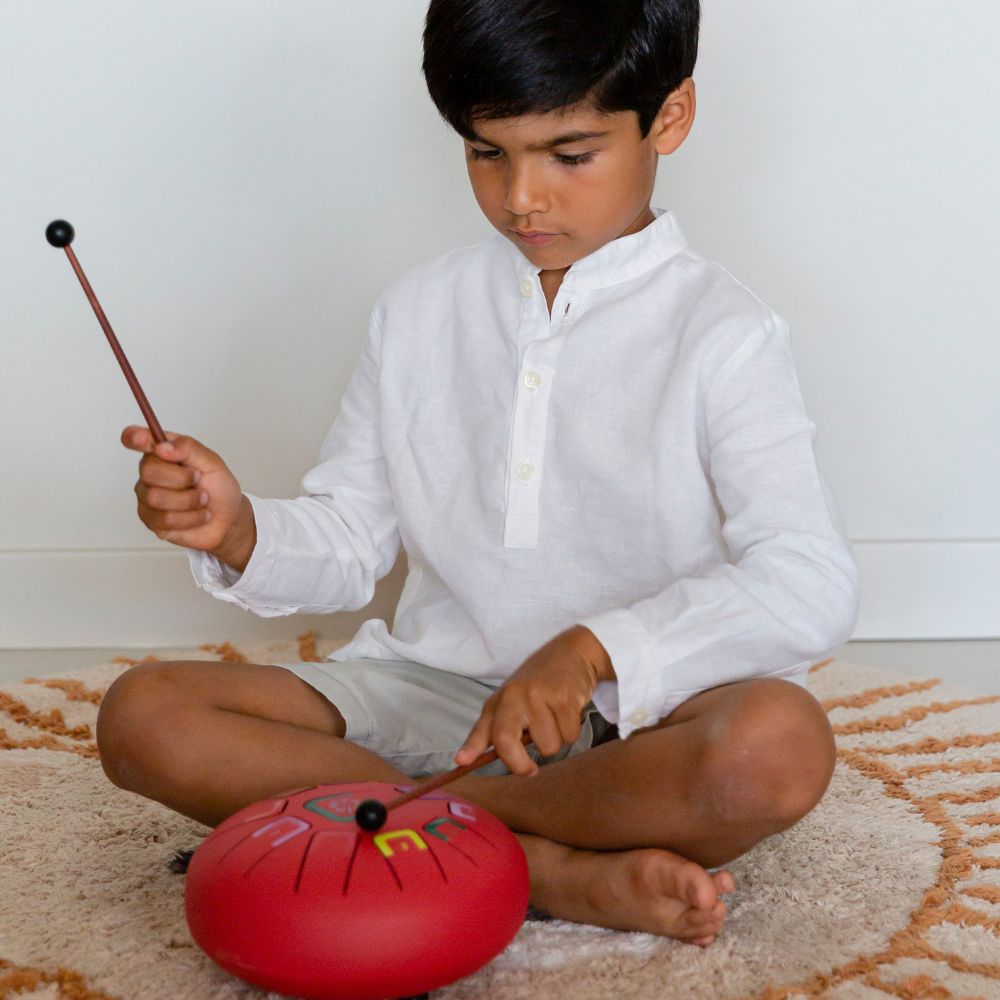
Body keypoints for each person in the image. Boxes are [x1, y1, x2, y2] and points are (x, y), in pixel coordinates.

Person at [96, 0, 859, 947]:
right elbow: (351, 541)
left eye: (569, 156)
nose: (521, 198)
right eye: (485, 152)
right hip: (433, 694)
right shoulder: (419, 311)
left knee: (776, 749)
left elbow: (809, 580)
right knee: (146, 715)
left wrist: (589, 654)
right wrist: (239, 528)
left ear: (670, 116)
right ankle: (546, 865)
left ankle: (414, 827)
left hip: (636, 723)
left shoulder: (726, 334)